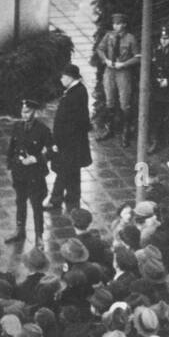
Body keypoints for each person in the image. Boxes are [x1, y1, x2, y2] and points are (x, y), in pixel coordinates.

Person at [4, 99, 54, 249]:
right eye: (22, 112)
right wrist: (11, 163)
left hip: (34, 174)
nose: (24, 115)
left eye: (27, 112)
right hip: (19, 173)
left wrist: (36, 158)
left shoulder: (43, 130)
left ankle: (39, 236)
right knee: (20, 202)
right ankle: (20, 231)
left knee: (36, 205)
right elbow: (12, 146)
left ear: (35, 112)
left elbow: (52, 150)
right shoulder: (17, 126)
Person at [46, 62, 91, 212]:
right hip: (73, 142)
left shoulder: (75, 94)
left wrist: (58, 141)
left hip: (69, 143)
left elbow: (73, 122)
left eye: (63, 77)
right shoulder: (76, 90)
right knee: (71, 170)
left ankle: (56, 200)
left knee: (64, 170)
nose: (61, 79)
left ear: (71, 77)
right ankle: (72, 199)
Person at [94, 13, 139, 145]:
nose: (116, 26)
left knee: (124, 102)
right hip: (110, 70)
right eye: (114, 23)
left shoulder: (130, 38)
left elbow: (138, 56)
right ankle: (110, 129)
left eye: (118, 23)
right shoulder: (109, 36)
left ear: (124, 24)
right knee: (109, 100)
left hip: (123, 72)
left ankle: (126, 132)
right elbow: (100, 49)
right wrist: (105, 60)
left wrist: (124, 64)